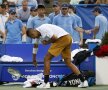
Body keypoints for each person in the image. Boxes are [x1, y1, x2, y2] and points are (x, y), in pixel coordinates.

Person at [26, 24, 88, 88]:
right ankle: (83, 81)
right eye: (31, 37)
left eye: (32, 35)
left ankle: (46, 83)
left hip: (63, 38)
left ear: (34, 30)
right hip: (68, 38)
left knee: (46, 59)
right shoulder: (37, 35)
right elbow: (35, 46)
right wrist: (34, 59)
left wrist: (47, 42)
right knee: (68, 62)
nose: (33, 37)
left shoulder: (43, 28)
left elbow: (54, 38)